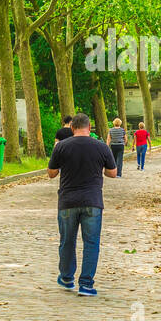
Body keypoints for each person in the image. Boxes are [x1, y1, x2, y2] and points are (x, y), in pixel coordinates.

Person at [47, 113, 117, 296]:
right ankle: (86, 284)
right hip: (93, 202)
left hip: (68, 201)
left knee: (67, 241)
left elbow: (51, 173)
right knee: (91, 243)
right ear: (90, 127)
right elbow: (112, 172)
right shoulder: (101, 147)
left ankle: (67, 277)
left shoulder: (61, 146)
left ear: (72, 128)